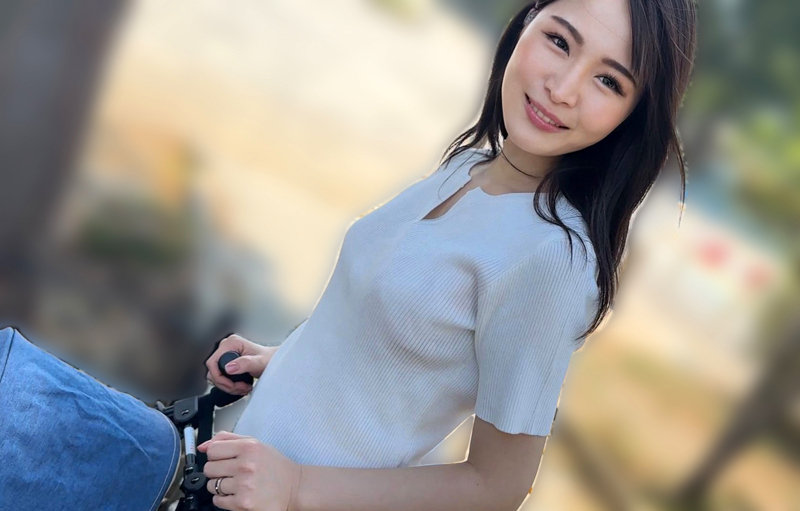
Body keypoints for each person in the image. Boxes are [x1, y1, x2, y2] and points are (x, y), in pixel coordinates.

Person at [195, 1, 698, 510]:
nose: (564, 89)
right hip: (229, 479)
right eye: (559, 41)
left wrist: (296, 486)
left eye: (608, 81)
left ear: (634, 114)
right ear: (528, 20)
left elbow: (496, 486)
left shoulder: (553, 258)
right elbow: (387, 339)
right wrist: (280, 360)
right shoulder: (469, 166)